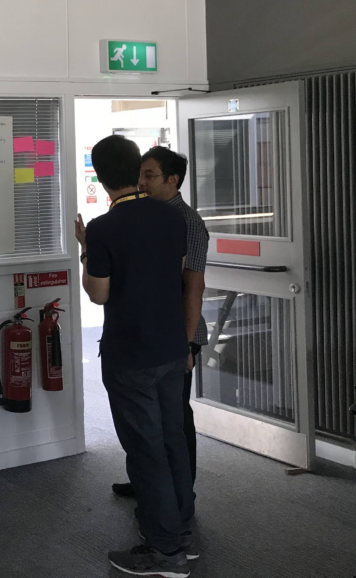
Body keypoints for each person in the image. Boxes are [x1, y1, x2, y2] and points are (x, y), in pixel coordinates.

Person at [74, 135, 194, 576]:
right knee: (172, 441)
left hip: (131, 353)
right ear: (137, 169)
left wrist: (87, 248)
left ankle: (165, 552)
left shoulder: (105, 228)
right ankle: (181, 534)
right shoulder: (172, 217)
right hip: (170, 346)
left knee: (145, 451)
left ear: (101, 177)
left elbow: (99, 293)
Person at [112, 147, 209, 501]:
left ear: (173, 180)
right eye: (141, 174)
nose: (141, 181)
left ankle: (184, 492)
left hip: (180, 334)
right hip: (150, 331)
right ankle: (148, 484)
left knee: (175, 419)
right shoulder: (144, 215)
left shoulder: (188, 222)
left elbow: (193, 286)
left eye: (149, 175)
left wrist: (185, 343)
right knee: (144, 417)